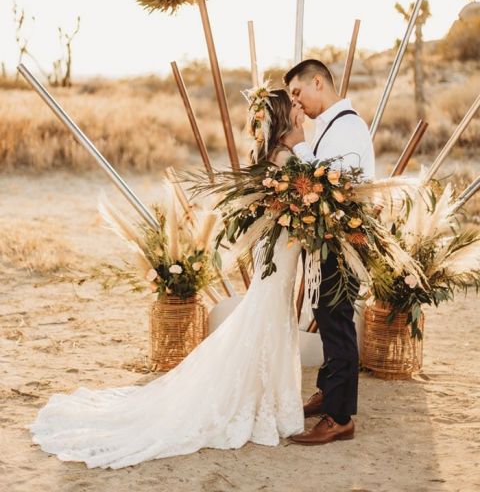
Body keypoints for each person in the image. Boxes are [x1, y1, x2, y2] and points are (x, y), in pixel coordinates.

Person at [29, 89, 305, 469]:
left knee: (268, 315)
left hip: (278, 252)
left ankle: (266, 397)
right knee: (269, 315)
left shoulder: (275, 157)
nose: (301, 111)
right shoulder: (286, 158)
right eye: (296, 108)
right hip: (279, 252)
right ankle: (262, 402)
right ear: (284, 117)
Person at [284, 58, 375, 446]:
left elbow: (330, 182)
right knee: (326, 315)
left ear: (317, 82)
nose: (297, 103)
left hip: (343, 242)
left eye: (298, 92)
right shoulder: (332, 126)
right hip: (331, 239)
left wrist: (298, 145)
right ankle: (327, 392)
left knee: (337, 323)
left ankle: (339, 418)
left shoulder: (348, 126)